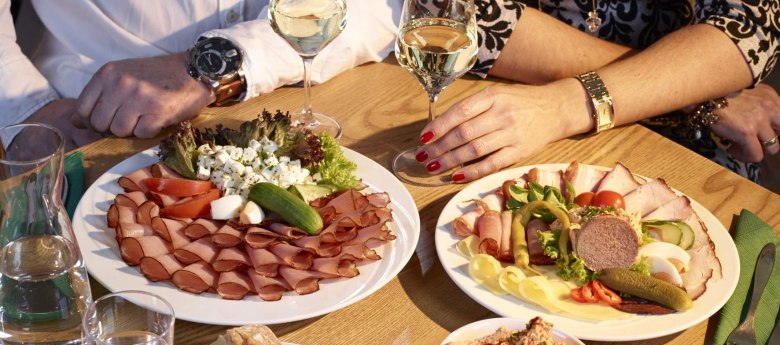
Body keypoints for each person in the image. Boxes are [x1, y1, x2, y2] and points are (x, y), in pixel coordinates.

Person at [415, 1, 780, 184]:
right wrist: (685, 86)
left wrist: (564, 104)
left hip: (690, 144)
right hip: (517, 112)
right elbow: (450, 12)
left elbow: (749, 27)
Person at [0, 0, 399, 152]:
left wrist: (213, 65)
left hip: (305, 109)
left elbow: (382, 8)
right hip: (90, 133)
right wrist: (27, 109)